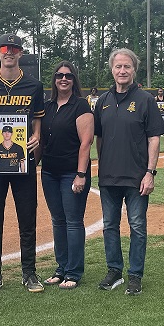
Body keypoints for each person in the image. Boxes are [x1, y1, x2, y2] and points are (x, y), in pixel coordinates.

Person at [0, 33, 46, 294]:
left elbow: (37, 122)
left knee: (27, 218)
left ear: (20, 53)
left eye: (14, 48)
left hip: (22, 160)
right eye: (5, 48)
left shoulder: (34, 86)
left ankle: (29, 272)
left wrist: (36, 136)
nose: (9, 52)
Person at [93, 48, 164, 295]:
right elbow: (99, 139)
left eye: (127, 67)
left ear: (134, 70)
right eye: (118, 67)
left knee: (137, 226)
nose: (122, 71)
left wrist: (150, 172)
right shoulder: (103, 101)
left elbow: (154, 138)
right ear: (111, 70)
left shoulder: (145, 100)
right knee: (110, 226)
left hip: (137, 177)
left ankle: (135, 275)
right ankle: (114, 271)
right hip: (109, 177)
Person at [40, 61, 94, 289]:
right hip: (49, 171)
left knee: (73, 222)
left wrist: (81, 174)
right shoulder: (48, 106)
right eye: (60, 75)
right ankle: (61, 268)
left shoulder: (80, 105)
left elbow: (86, 143)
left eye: (69, 76)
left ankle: (73, 272)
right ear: (54, 79)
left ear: (74, 80)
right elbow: (40, 141)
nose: (64, 79)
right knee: (57, 221)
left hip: (72, 172)